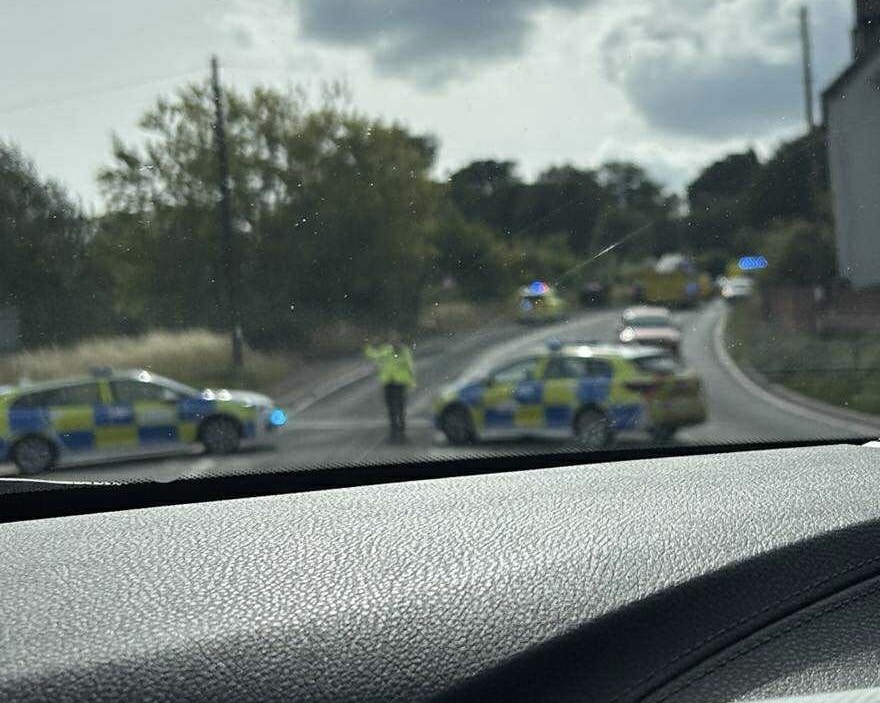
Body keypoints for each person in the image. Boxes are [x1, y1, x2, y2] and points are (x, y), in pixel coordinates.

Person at [364, 332, 416, 443]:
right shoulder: (386, 350)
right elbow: (373, 355)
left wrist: (412, 381)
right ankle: (395, 433)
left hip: (399, 383)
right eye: (392, 341)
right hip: (389, 383)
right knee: (393, 409)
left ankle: (400, 433)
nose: (394, 343)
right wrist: (368, 346)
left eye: (396, 341)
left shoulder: (403, 351)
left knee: (399, 409)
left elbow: (409, 366)